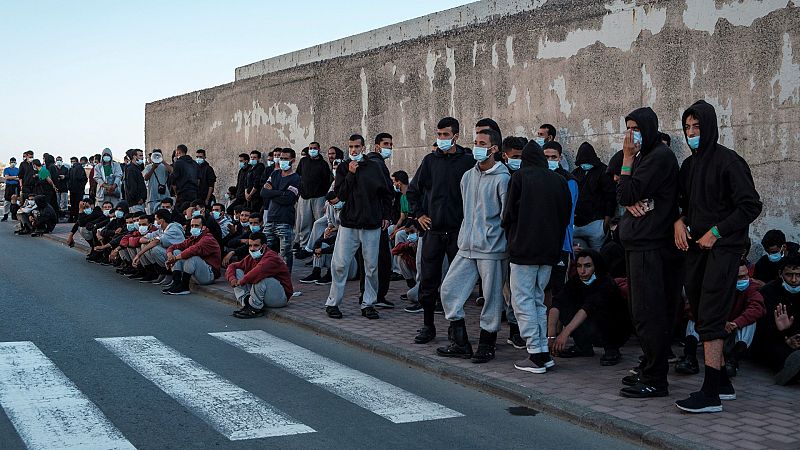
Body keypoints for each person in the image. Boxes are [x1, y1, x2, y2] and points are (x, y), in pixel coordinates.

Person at [673, 100, 763, 413]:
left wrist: (717, 232)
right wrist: (678, 221)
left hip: (724, 250)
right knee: (699, 311)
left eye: (697, 127)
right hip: (696, 250)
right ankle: (723, 381)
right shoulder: (689, 165)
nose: (691, 133)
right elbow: (683, 204)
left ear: (710, 126)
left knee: (710, 315)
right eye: (687, 128)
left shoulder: (730, 162)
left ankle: (710, 394)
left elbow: (750, 206)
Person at [616, 107, 682, 398]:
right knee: (639, 311)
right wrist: (629, 197)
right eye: (628, 128)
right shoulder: (644, 157)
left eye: (636, 128)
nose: (631, 136)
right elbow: (623, 191)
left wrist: (628, 161)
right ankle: (649, 364)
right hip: (637, 244)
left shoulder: (658, 157)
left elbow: (627, 191)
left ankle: (656, 377)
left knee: (649, 311)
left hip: (651, 246)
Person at [436, 128, 510, 363]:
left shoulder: (503, 178)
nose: (477, 146)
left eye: (482, 143)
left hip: (492, 248)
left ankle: (487, 344)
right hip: (466, 246)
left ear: (494, 148)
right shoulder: (468, 176)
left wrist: (497, 239)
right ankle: (460, 341)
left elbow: (506, 216)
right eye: (476, 142)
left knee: (491, 298)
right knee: (449, 289)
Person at [502, 140, 572, 374]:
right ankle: (542, 351)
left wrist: (512, 235)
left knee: (522, 300)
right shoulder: (559, 181)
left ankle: (535, 354)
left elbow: (509, 213)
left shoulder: (520, 178)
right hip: (549, 251)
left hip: (523, 249)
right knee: (538, 299)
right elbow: (565, 216)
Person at [406, 117, 475, 342]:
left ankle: (456, 327)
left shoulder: (468, 162)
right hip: (433, 232)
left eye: (446, 135)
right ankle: (428, 326)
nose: (442, 139)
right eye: (439, 135)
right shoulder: (429, 161)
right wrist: (419, 215)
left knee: (457, 281)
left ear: (456, 135)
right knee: (428, 280)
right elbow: (413, 191)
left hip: (458, 232)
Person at [323, 134, 394, 320]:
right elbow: (341, 195)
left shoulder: (375, 167)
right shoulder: (344, 168)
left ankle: (368, 303)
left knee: (371, 267)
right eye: (350, 147)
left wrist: (386, 215)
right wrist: (351, 174)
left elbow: (386, 192)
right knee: (339, 264)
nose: (353, 150)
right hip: (349, 224)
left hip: (371, 224)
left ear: (363, 147)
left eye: (357, 147)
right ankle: (333, 303)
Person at [677, 259, 765, 378]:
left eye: (745, 276)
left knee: (750, 323)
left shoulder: (751, 288)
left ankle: (733, 361)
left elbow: (757, 308)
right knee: (694, 320)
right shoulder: (713, 287)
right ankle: (690, 358)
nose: (743, 280)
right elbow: (692, 308)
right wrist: (718, 321)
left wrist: (735, 323)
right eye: (738, 277)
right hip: (713, 327)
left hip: (732, 330)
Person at [548, 250, 630, 365]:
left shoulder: (605, 282)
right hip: (590, 325)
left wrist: (564, 333)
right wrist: (551, 337)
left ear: (596, 266)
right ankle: (583, 346)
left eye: (587, 266)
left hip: (614, 329)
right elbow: (557, 303)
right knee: (565, 305)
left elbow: (588, 308)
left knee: (602, 310)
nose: (582, 271)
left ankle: (611, 349)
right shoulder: (575, 281)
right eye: (579, 266)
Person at [752, 254, 800, 385]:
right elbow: (760, 328)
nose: (794, 280)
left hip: (796, 338)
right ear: (780, 274)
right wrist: (784, 334)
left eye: (798, 275)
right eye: (789, 275)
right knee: (779, 352)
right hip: (774, 339)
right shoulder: (768, 292)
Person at [226, 232, 294, 318]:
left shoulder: (271, 257)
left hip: (279, 297)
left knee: (261, 278)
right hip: (263, 295)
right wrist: (232, 279)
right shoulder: (252, 257)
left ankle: (254, 308)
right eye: (250, 245)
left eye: (256, 245)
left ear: (264, 246)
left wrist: (241, 281)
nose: (252, 249)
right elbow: (233, 266)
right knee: (237, 271)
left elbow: (258, 271)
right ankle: (247, 303)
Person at [543, 141, 578, 300]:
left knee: (558, 290)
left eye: (553, 157)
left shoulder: (568, 180)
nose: (550, 160)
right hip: (542, 244)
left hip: (562, 242)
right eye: (546, 157)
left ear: (560, 158)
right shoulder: (538, 177)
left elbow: (565, 212)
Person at [260, 148, 301, 272]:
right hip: (271, 218)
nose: (282, 160)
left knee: (285, 253)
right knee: (266, 251)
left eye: (285, 159)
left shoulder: (295, 178)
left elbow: (288, 199)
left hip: (284, 219)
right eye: (281, 158)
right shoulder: (275, 174)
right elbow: (263, 192)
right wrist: (281, 193)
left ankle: (285, 278)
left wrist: (272, 192)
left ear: (292, 161)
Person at [572, 142, 616, 251]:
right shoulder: (576, 173)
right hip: (577, 225)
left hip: (596, 224)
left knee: (597, 256)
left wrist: (606, 221)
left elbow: (610, 197)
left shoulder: (604, 172)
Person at [162, 215, 221, 295]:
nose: (193, 228)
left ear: (203, 227)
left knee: (193, 257)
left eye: (196, 226)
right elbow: (174, 246)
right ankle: (176, 283)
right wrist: (170, 255)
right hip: (196, 273)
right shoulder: (193, 238)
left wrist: (175, 259)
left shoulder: (208, 239)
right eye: (192, 225)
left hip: (208, 275)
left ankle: (184, 287)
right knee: (176, 251)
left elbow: (192, 250)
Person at [294, 142, 331, 259]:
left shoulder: (323, 164)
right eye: (310, 148)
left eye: (315, 148)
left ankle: (317, 246)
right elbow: (298, 175)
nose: (312, 150)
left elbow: (327, 181)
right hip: (304, 197)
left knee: (319, 223)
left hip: (319, 197)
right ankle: (304, 246)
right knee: (304, 223)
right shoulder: (303, 161)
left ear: (319, 149)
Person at [133, 208, 187, 285]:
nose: (155, 222)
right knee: (144, 245)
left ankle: (169, 274)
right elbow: (142, 239)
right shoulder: (161, 229)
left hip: (177, 257)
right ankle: (161, 273)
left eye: (156, 219)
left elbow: (156, 241)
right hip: (169, 254)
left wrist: (138, 255)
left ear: (162, 220)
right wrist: (149, 240)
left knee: (155, 249)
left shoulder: (174, 229)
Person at [143, 149, 172, 214]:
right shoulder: (148, 167)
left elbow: (172, 171)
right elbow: (146, 178)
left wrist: (163, 161)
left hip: (165, 197)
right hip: (152, 197)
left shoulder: (164, 167)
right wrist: (153, 168)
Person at [171, 144, 199, 211]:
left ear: (178, 152)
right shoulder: (195, 163)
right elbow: (198, 180)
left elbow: (173, 181)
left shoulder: (178, 163)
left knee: (180, 212)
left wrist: (176, 193)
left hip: (182, 193)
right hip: (194, 193)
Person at [123, 149, 147, 213]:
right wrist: (138, 199)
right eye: (140, 156)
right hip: (135, 203)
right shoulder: (131, 169)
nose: (142, 158)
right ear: (134, 156)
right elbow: (132, 186)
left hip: (140, 202)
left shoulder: (137, 168)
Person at [67, 156, 88, 222]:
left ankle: (71, 217)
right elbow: (83, 178)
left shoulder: (71, 169)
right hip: (79, 190)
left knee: (72, 204)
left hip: (72, 190)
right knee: (78, 203)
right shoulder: (80, 168)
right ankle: (77, 217)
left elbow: (68, 179)